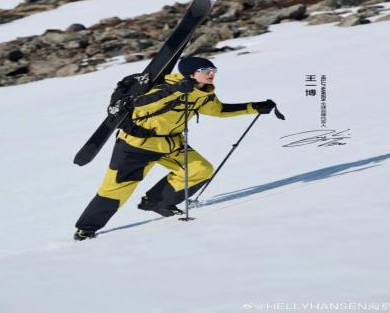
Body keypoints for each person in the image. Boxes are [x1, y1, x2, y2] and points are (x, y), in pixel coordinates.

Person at [74, 56, 281, 240]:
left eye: (213, 70)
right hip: (137, 146)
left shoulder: (204, 92)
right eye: (206, 70)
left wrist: (255, 107)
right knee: (116, 189)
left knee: (200, 169)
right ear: (191, 73)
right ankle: (86, 229)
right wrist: (175, 90)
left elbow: (218, 110)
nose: (211, 74)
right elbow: (140, 104)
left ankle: (157, 202)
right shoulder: (165, 86)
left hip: (171, 144)